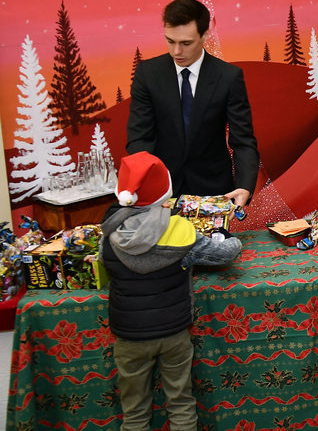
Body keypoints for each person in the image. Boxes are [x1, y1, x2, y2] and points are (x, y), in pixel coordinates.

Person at [100, 151, 242, 431]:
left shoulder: (108, 235)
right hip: (174, 332)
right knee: (180, 403)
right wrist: (227, 236)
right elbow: (226, 253)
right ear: (166, 191)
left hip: (128, 336)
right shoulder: (180, 230)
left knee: (134, 412)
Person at [127, 0, 259, 208]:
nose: (176, 51)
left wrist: (245, 186)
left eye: (186, 43)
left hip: (214, 192)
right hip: (163, 193)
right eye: (170, 41)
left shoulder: (228, 77)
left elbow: (243, 141)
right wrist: (150, 185)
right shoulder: (148, 74)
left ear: (205, 35)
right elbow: (139, 138)